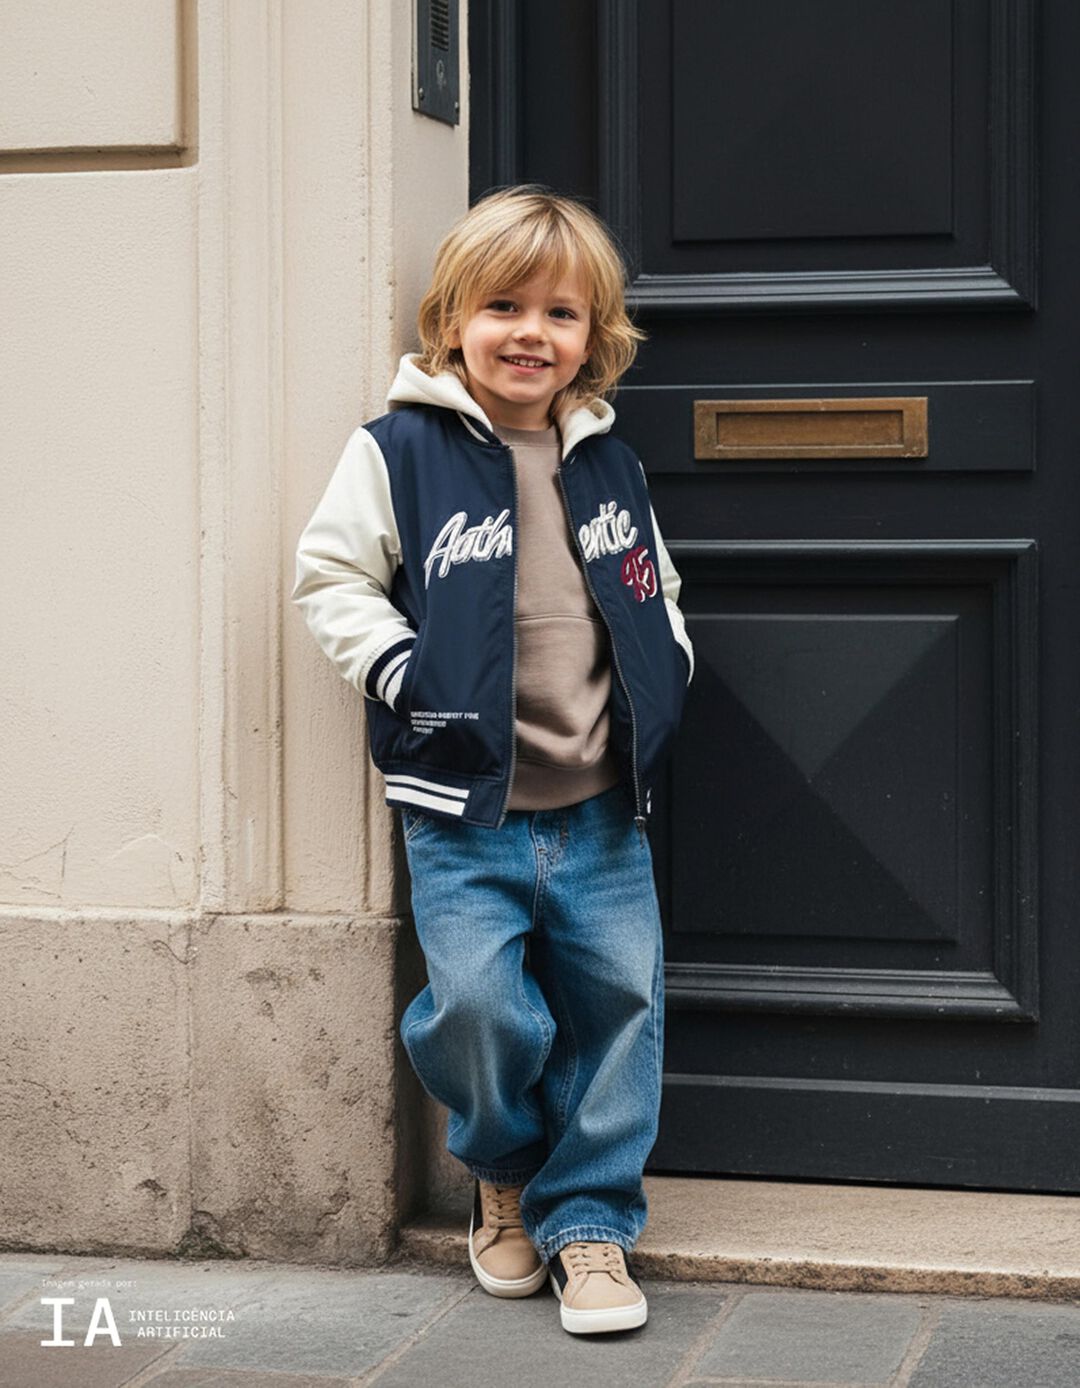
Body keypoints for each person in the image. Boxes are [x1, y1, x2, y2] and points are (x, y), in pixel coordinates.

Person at [291, 184, 695, 1336]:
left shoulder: (607, 462)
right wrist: (405, 673)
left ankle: (592, 1221)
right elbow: (333, 578)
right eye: (504, 306)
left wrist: (668, 664)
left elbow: (656, 585)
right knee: (478, 1006)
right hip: (463, 807)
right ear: (452, 320)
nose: (531, 333)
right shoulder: (400, 451)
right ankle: (504, 1166)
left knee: (621, 1006)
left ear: (593, 336)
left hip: (603, 805)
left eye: (561, 314)